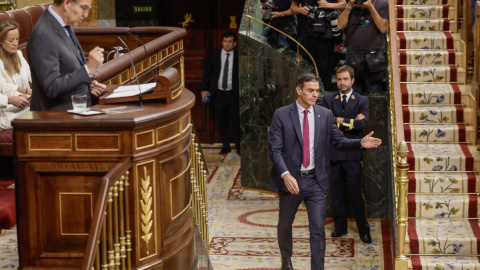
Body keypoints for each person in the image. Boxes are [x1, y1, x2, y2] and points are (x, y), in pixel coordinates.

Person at [268, 72, 381, 270]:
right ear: (298, 90)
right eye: (310, 90)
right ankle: (286, 259)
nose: (314, 95)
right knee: (285, 224)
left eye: (317, 91)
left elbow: (338, 141)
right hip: (291, 180)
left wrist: (360, 143)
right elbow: (275, 149)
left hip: (315, 181)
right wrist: (285, 174)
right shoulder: (281, 114)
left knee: (318, 229)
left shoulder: (325, 114)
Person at [321, 65, 371, 243]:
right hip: (333, 154)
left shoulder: (361, 100)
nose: (342, 82)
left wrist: (339, 120)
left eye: (345, 79)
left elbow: (362, 125)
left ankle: (363, 230)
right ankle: (340, 228)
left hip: (352, 155)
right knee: (337, 193)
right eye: (339, 79)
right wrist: (349, 121)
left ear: (352, 80)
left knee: (356, 194)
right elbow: (327, 123)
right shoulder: (328, 99)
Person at [27, 0, 106, 111]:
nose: (86, 14)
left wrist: (86, 85)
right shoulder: (44, 34)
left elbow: (67, 71)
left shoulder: (63, 24)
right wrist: (87, 70)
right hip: (56, 121)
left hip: (73, 114)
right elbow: (52, 88)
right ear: (67, 3)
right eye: (83, 8)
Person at [290, 0, 345, 92]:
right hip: (308, 34)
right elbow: (293, 7)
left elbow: (343, 4)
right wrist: (301, 10)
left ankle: (323, 101)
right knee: (307, 71)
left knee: (325, 73)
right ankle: (307, 99)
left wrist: (329, 5)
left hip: (326, 37)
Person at [201, 32, 240, 155]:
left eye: (230, 42)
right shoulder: (215, 54)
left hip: (234, 94)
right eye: (225, 41)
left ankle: (239, 147)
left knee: (236, 122)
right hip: (218, 93)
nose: (227, 44)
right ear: (222, 42)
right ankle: (226, 146)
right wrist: (204, 89)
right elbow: (207, 73)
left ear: (235, 43)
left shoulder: (239, 56)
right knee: (222, 122)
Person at [337, 0, 388, 92]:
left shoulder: (382, 4)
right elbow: (340, 25)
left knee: (374, 93)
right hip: (353, 57)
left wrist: (371, 7)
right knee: (352, 95)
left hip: (374, 57)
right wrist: (349, 5)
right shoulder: (350, 6)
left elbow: (383, 28)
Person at [0, 21, 31, 129]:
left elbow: (32, 76)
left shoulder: (18, 54)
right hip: (6, 111)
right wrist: (14, 97)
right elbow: (6, 88)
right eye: (11, 40)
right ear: (1, 41)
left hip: (25, 103)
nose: (15, 43)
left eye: (17, 39)